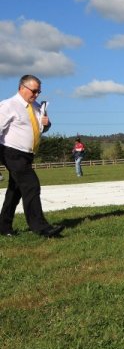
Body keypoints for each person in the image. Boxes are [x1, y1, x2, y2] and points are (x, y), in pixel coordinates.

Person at [0, 75, 65, 237]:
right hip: (11, 152)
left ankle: (3, 226)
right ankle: (42, 227)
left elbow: (39, 128)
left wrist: (47, 124)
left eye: (39, 92)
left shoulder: (36, 106)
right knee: (31, 185)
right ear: (22, 88)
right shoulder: (8, 105)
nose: (36, 95)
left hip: (27, 154)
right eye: (34, 91)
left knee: (15, 191)